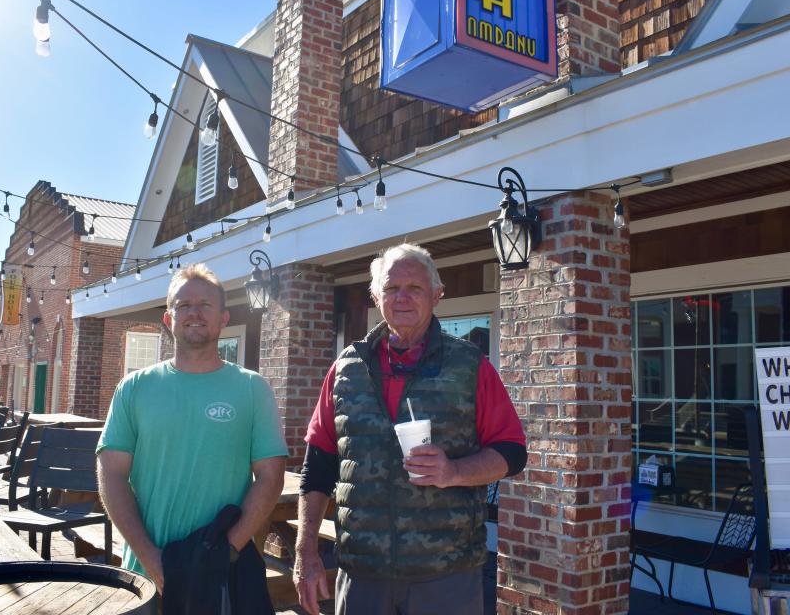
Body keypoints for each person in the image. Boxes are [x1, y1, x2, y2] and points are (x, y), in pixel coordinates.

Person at [293, 243, 527, 615]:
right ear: (375, 296)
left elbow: (512, 452)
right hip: (363, 576)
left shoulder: (470, 366)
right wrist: (305, 551)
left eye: (415, 288)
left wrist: (454, 471)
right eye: (391, 288)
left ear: (437, 295)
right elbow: (317, 467)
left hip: (446, 576)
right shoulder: (345, 368)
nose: (402, 297)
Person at [97, 263, 288, 598]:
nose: (194, 313)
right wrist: (151, 559)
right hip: (145, 572)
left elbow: (271, 477)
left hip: (222, 574)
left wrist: (224, 551)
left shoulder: (252, 389)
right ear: (169, 319)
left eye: (205, 305)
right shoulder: (133, 389)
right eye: (183, 305)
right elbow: (112, 475)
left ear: (224, 318)